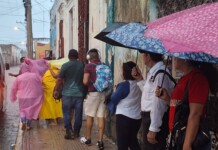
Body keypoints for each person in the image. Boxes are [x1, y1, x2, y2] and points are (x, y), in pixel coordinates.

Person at [155, 58, 217, 150]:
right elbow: (181, 108)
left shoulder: (197, 79)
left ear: (185, 59)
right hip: (179, 136)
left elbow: (195, 114)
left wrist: (187, 144)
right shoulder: (184, 78)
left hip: (191, 140)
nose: (173, 58)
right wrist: (167, 98)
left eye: (176, 56)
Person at [132, 51, 175, 150]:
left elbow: (159, 103)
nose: (143, 57)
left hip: (153, 119)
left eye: (143, 54)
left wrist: (154, 128)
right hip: (149, 118)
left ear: (148, 56)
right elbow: (149, 96)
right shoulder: (153, 72)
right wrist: (139, 79)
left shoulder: (160, 74)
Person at [107, 61, 142, 150]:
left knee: (122, 145)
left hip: (124, 118)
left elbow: (114, 98)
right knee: (133, 141)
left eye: (122, 70)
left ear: (126, 72)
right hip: (137, 118)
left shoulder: (124, 85)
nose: (121, 72)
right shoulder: (140, 83)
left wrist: (114, 92)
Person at [54, 49, 85, 140]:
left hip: (66, 94)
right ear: (77, 56)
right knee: (78, 114)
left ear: (68, 56)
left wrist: (56, 90)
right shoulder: (82, 65)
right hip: (79, 94)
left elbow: (59, 80)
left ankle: (69, 131)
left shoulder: (65, 66)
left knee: (67, 113)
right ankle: (76, 132)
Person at [80, 48, 105, 150]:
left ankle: (88, 138)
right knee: (100, 117)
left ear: (89, 57)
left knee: (90, 116)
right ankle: (100, 142)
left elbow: (85, 81)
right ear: (98, 56)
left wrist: (90, 82)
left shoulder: (88, 66)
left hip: (93, 94)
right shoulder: (104, 66)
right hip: (103, 94)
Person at [10, 63, 43, 130]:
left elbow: (14, 88)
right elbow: (40, 84)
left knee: (22, 110)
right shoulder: (35, 76)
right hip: (34, 97)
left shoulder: (19, 77)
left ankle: (23, 121)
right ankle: (28, 126)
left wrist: (13, 97)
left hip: (22, 97)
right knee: (31, 110)